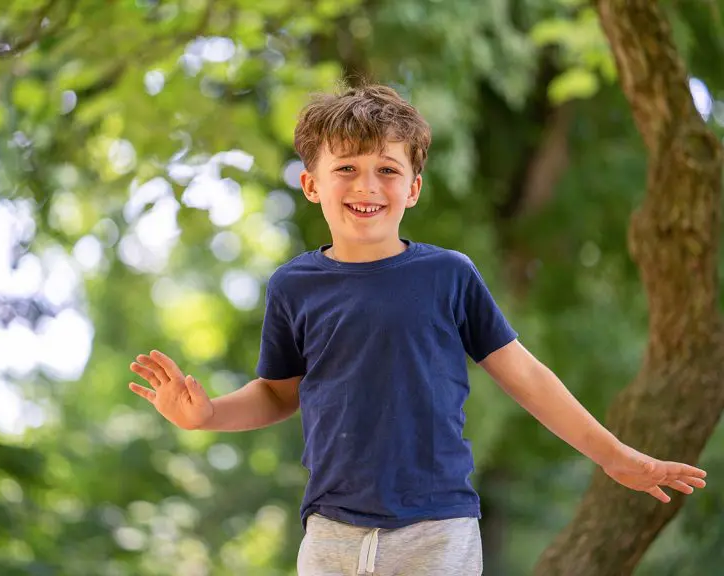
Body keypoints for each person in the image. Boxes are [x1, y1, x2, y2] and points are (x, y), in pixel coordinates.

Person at [128, 84, 708, 575]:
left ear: (413, 188)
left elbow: (524, 374)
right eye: (346, 169)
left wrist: (613, 456)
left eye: (387, 170)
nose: (367, 186)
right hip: (331, 532)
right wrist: (207, 416)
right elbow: (281, 392)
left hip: (439, 528)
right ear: (312, 185)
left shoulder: (447, 275)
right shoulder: (293, 285)